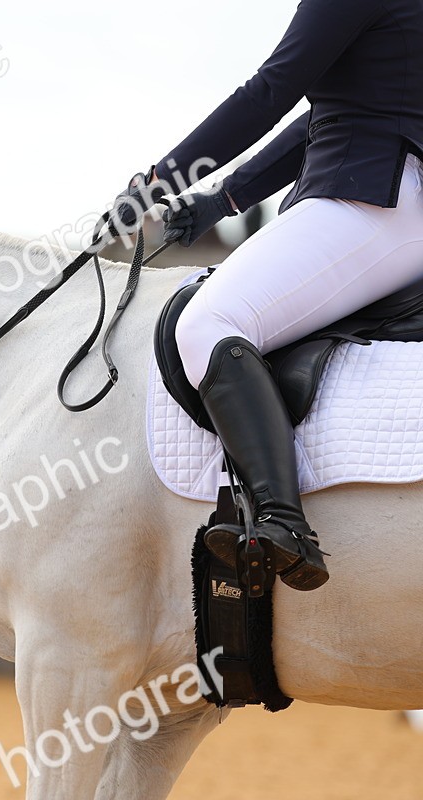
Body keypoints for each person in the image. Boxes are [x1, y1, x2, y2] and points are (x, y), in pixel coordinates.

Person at [112, 0, 423, 591]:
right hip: (389, 194)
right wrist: (223, 198)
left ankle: (284, 523)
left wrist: (160, 180)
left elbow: (270, 90)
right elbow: (326, 115)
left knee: (206, 324)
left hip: (370, 195)